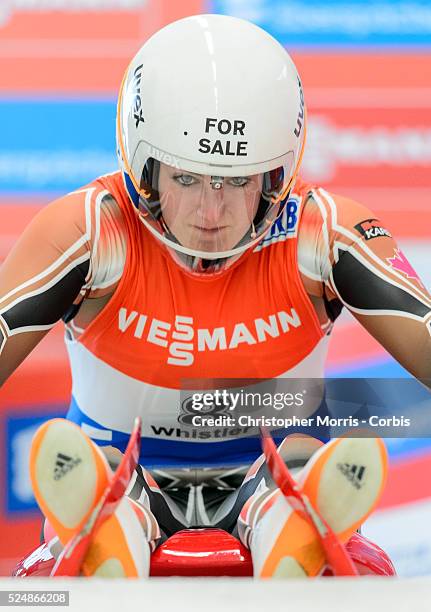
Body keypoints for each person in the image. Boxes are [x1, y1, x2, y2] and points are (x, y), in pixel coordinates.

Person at [1, 14, 430, 578]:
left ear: (276, 175)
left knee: (301, 472)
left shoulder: (324, 229)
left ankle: (290, 514)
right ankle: (112, 524)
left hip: (280, 466)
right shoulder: (88, 228)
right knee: (99, 495)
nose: (210, 213)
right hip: (114, 474)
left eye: (235, 180)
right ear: (146, 166)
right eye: (186, 179)